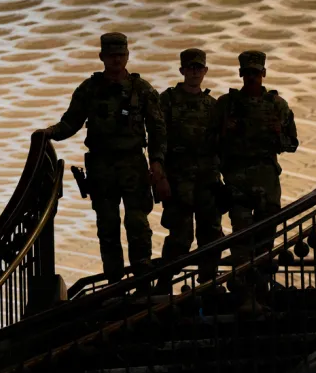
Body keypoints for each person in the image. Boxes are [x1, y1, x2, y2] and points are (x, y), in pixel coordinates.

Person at [37, 33, 170, 284]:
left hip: (133, 164)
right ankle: (115, 286)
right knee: (107, 228)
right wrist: (49, 133)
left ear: (128, 56)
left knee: (138, 225)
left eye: (120, 55)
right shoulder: (90, 89)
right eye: (111, 55)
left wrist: (157, 164)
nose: (116, 60)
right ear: (102, 57)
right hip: (102, 167)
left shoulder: (141, 89)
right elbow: (71, 122)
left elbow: (158, 129)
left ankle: (143, 284)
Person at [216, 50, 298, 311]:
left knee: (265, 239)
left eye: (255, 73)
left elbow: (292, 144)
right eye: (247, 73)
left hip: (266, 179)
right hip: (237, 178)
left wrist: (278, 135)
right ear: (241, 74)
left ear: (263, 74)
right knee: (241, 239)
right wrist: (224, 132)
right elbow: (210, 143)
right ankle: (243, 295)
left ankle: (261, 293)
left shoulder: (278, 105)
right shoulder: (226, 104)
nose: (251, 77)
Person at [155, 49, 222, 294]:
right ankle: (163, 285)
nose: (194, 72)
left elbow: (221, 143)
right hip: (178, 178)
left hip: (208, 179)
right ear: (182, 70)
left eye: (199, 68)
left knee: (211, 233)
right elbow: (158, 138)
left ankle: (208, 283)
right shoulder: (167, 100)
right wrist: (159, 173)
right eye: (190, 68)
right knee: (180, 237)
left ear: (205, 71)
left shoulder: (214, 106)